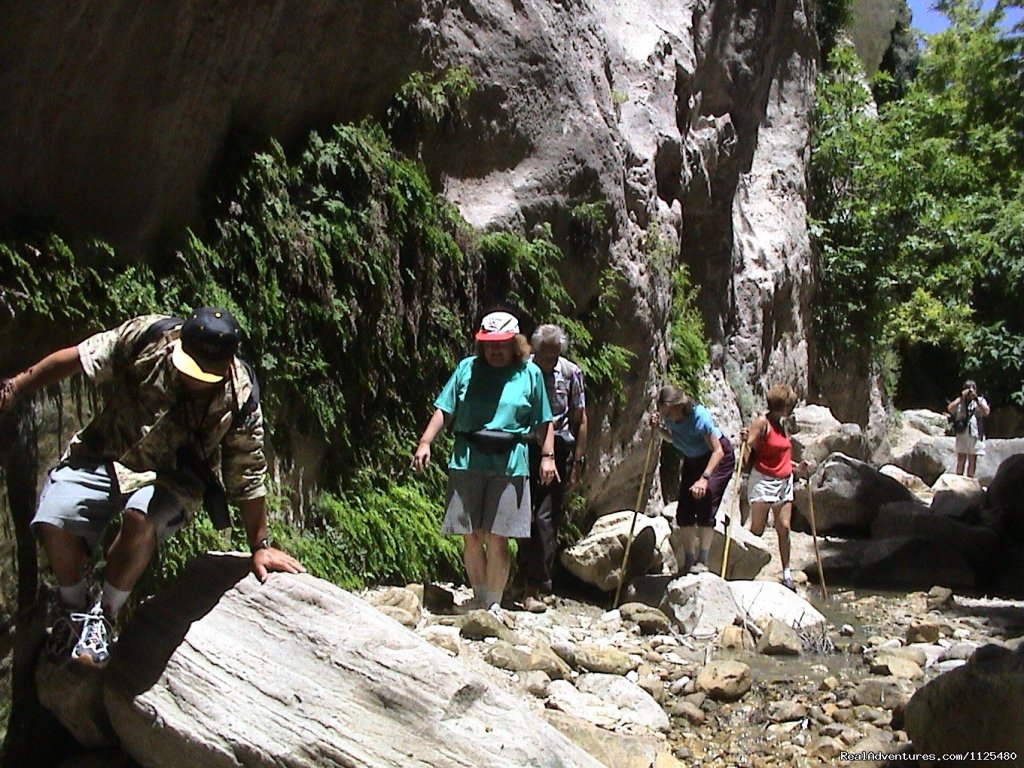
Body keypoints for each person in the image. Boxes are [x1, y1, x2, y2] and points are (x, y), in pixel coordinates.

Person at [0, 307, 305, 668]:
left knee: (140, 518)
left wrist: (260, 545)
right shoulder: (150, 337)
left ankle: (105, 616)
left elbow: (248, 472)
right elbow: (80, 357)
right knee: (55, 516)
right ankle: (74, 609)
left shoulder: (239, 397)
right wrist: (14, 388)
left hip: (174, 478)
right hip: (106, 454)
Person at [412, 311, 556, 615]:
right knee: (472, 535)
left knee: (498, 536)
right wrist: (426, 442)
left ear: (516, 344)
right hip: (467, 459)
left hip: (510, 464)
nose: (496, 350)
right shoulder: (467, 368)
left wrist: (547, 456)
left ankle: (492, 603)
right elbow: (444, 409)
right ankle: (479, 597)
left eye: (502, 344)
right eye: (490, 344)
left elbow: (544, 420)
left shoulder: (529, 375)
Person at [517, 324, 587, 613]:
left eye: (555, 355)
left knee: (545, 519)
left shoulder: (571, 373)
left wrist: (577, 461)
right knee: (522, 515)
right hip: (525, 447)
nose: (549, 361)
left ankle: (537, 583)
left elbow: (580, 418)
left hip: (557, 450)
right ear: (535, 349)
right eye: (545, 356)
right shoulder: (522, 370)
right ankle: (526, 579)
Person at [649, 384, 735, 575]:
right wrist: (658, 429)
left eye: (668, 414)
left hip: (717, 459)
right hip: (693, 459)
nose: (666, 417)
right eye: (663, 414)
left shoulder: (699, 418)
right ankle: (689, 560)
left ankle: (702, 560)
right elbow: (674, 438)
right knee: (685, 511)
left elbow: (718, 451)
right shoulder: (670, 417)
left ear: (679, 407)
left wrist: (704, 479)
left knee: (706, 500)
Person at [741, 384, 813, 591]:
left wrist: (798, 468)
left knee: (784, 527)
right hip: (763, 480)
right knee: (757, 529)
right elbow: (749, 444)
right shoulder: (762, 423)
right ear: (783, 405)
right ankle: (746, 570)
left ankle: (787, 573)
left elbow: (782, 457)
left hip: (783, 482)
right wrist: (745, 441)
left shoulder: (783, 425)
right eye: (789, 404)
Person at [947, 379, 990, 478]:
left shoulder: (980, 400)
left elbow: (986, 412)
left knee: (972, 459)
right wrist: (962, 397)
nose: (970, 390)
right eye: (967, 388)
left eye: (972, 388)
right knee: (961, 458)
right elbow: (950, 408)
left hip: (975, 433)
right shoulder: (960, 401)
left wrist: (976, 399)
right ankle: (958, 480)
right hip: (962, 433)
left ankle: (969, 480)